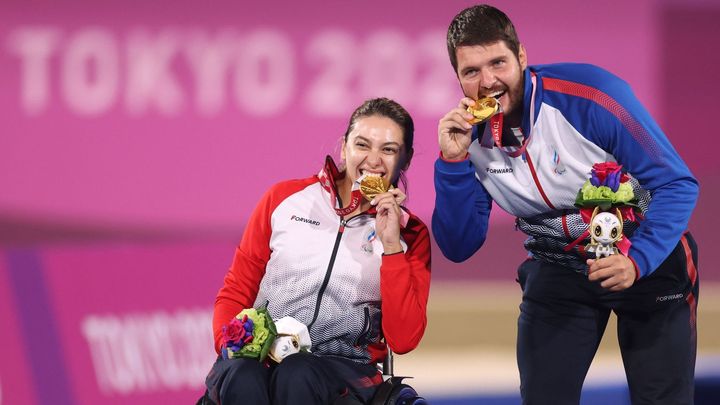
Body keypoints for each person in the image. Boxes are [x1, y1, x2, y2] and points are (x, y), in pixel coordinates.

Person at [432, 4, 699, 405]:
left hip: (645, 258)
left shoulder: (589, 96)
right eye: (471, 72)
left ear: (521, 56)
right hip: (559, 268)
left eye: (498, 63)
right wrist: (452, 165)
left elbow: (676, 184)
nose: (488, 82)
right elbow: (459, 245)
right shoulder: (469, 137)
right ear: (458, 77)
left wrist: (637, 260)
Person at [202, 97, 431, 405]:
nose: (373, 160)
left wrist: (390, 246)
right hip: (262, 354)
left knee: (297, 373)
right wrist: (230, 345)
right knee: (243, 374)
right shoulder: (284, 199)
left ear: (406, 159)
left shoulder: (409, 234)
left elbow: (403, 339)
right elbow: (237, 289)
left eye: (388, 149)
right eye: (362, 145)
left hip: (345, 368)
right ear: (344, 147)